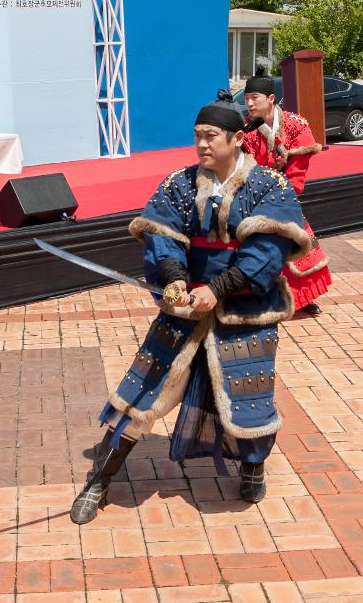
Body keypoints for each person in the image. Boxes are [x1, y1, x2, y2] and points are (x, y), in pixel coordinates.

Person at [69, 91, 314, 524]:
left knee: (249, 397)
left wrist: (219, 288)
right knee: (140, 394)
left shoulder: (268, 186)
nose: (201, 145)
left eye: (211, 136)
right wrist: (175, 278)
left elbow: (267, 251)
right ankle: (100, 479)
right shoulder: (179, 183)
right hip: (182, 307)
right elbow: (162, 234)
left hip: (245, 309)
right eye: (197, 136)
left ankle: (253, 467)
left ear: (238, 139)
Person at [239, 72, 332, 316]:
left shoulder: (295, 125)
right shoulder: (246, 131)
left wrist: (282, 195)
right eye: (246, 98)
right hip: (255, 194)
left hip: (284, 194)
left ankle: (302, 299)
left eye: (254, 98)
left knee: (295, 245)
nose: (249, 103)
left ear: (271, 98)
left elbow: (298, 170)